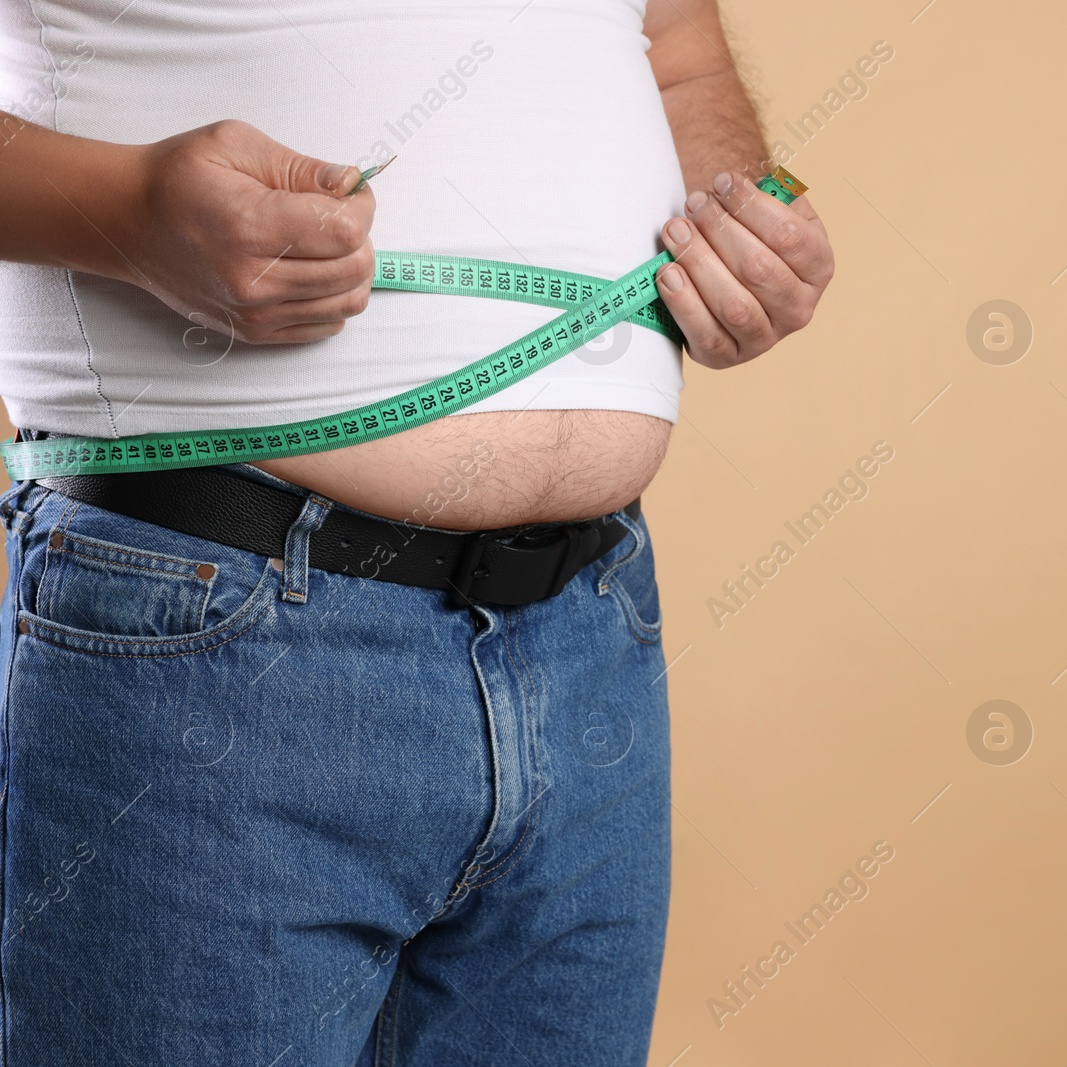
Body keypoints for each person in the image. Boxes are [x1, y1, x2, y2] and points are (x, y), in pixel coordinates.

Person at [0, 0, 833, 1063]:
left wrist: (738, 216)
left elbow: (676, 50)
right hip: (207, 637)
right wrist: (127, 208)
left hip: (594, 644)